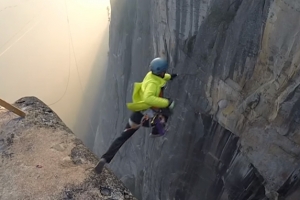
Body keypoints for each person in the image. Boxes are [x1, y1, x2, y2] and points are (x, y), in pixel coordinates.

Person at [94, 57, 178, 174]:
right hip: (147, 118)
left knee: (122, 137)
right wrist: (167, 102)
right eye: (165, 71)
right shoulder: (153, 84)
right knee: (167, 111)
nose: (165, 73)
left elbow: (160, 77)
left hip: (137, 115)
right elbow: (148, 98)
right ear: (161, 71)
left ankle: (105, 158)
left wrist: (170, 76)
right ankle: (156, 130)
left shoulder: (150, 75)